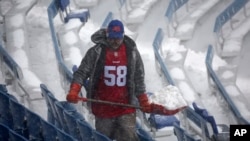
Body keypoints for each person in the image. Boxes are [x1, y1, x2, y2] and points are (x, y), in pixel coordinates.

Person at [66, 19, 186, 141]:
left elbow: (138, 78)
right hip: (103, 108)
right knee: (103, 138)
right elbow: (81, 72)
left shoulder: (132, 53)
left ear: (123, 36)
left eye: (118, 38)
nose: (115, 42)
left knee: (128, 137)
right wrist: (74, 90)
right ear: (107, 36)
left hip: (126, 107)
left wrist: (143, 100)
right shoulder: (96, 52)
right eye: (112, 38)